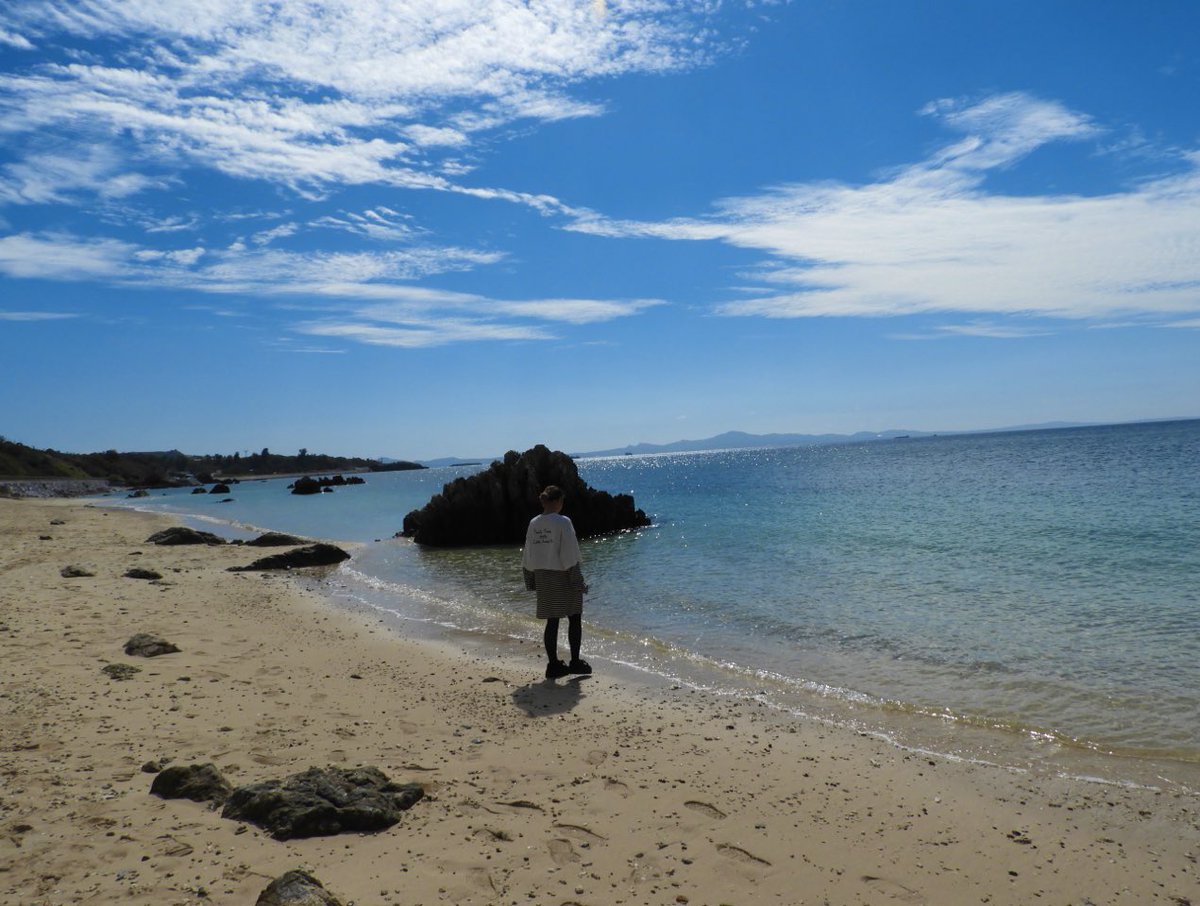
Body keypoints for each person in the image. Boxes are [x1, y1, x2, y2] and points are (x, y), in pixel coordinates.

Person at [522, 485, 592, 679]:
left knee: (552, 621)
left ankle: (553, 665)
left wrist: (530, 579)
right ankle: (575, 662)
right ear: (558, 502)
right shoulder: (563, 522)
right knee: (574, 617)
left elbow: (528, 554)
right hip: (563, 574)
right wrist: (577, 580)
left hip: (543, 575)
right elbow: (569, 553)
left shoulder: (534, 523)